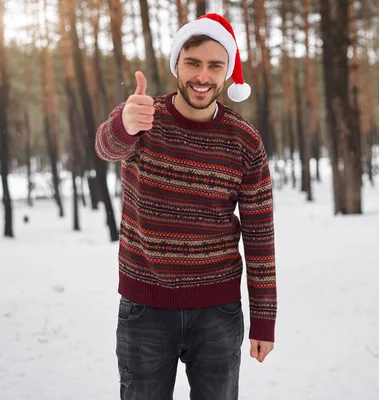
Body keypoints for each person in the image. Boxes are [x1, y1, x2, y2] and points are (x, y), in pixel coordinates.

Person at [95, 13, 277, 400]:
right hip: (145, 307)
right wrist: (124, 124)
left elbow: (260, 234)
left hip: (217, 312)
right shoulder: (144, 116)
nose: (203, 76)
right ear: (176, 63)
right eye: (193, 63)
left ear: (227, 72)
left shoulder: (244, 140)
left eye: (215, 65)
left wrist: (264, 318)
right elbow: (107, 147)